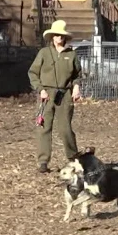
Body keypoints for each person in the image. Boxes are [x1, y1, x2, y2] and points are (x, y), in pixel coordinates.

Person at [28, 19, 82, 173]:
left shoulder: (71, 54)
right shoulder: (43, 53)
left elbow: (77, 75)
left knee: (65, 128)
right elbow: (32, 73)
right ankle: (43, 162)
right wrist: (40, 89)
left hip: (65, 94)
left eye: (62, 35)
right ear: (52, 36)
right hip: (46, 94)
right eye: (57, 35)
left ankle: (74, 159)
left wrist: (76, 88)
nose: (59, 37)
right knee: (44, 128)